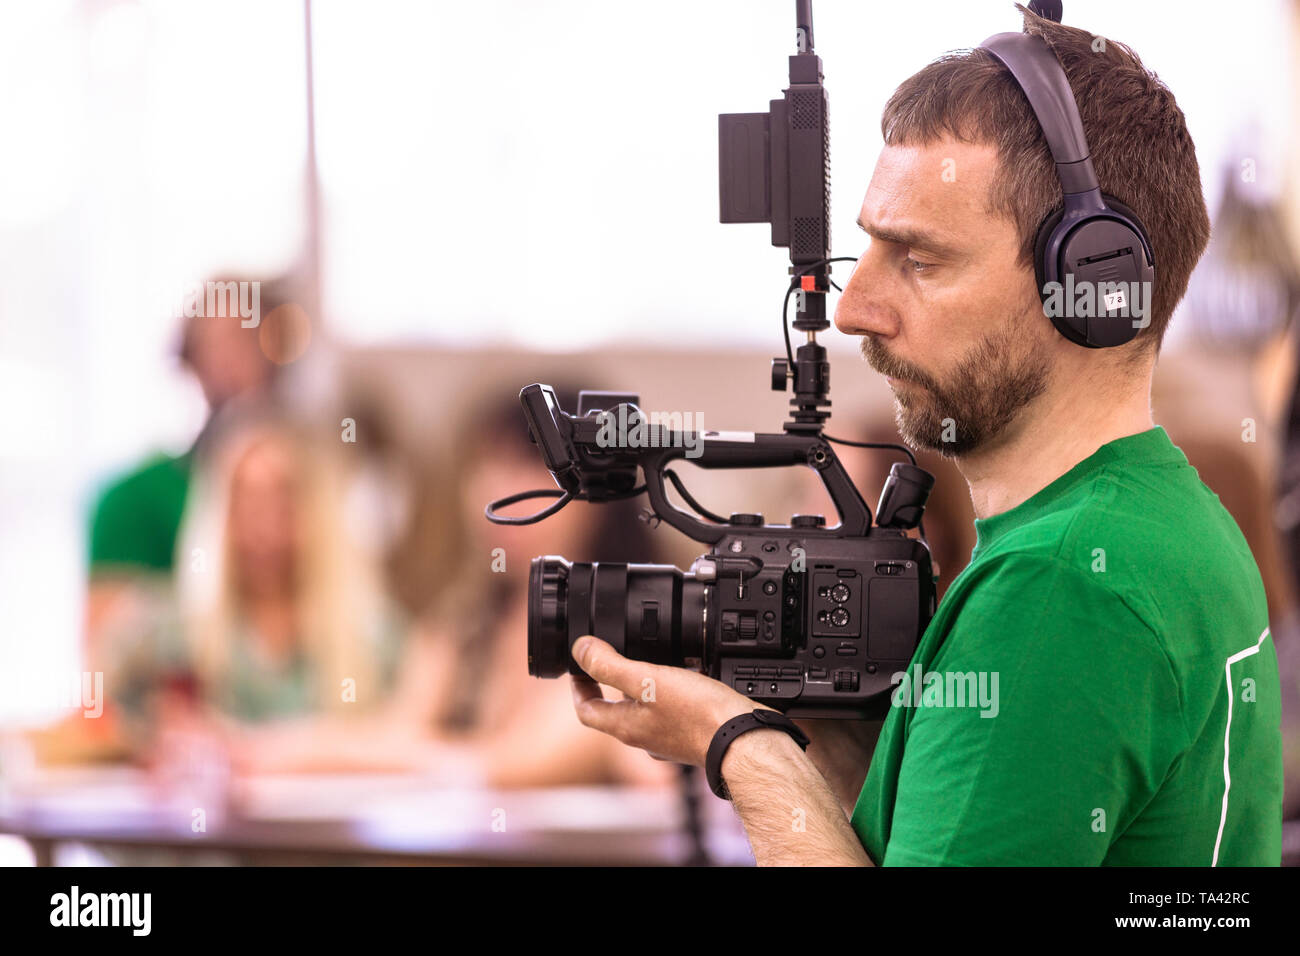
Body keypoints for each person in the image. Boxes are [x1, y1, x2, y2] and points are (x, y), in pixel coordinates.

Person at [561, 6, 1284, 865]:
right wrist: (817, 729)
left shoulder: (1060, 587)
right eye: (865, 250)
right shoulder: (1159, 523)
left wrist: (737, 746)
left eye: (919, 260)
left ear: (1089, 279)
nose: (855, 310)